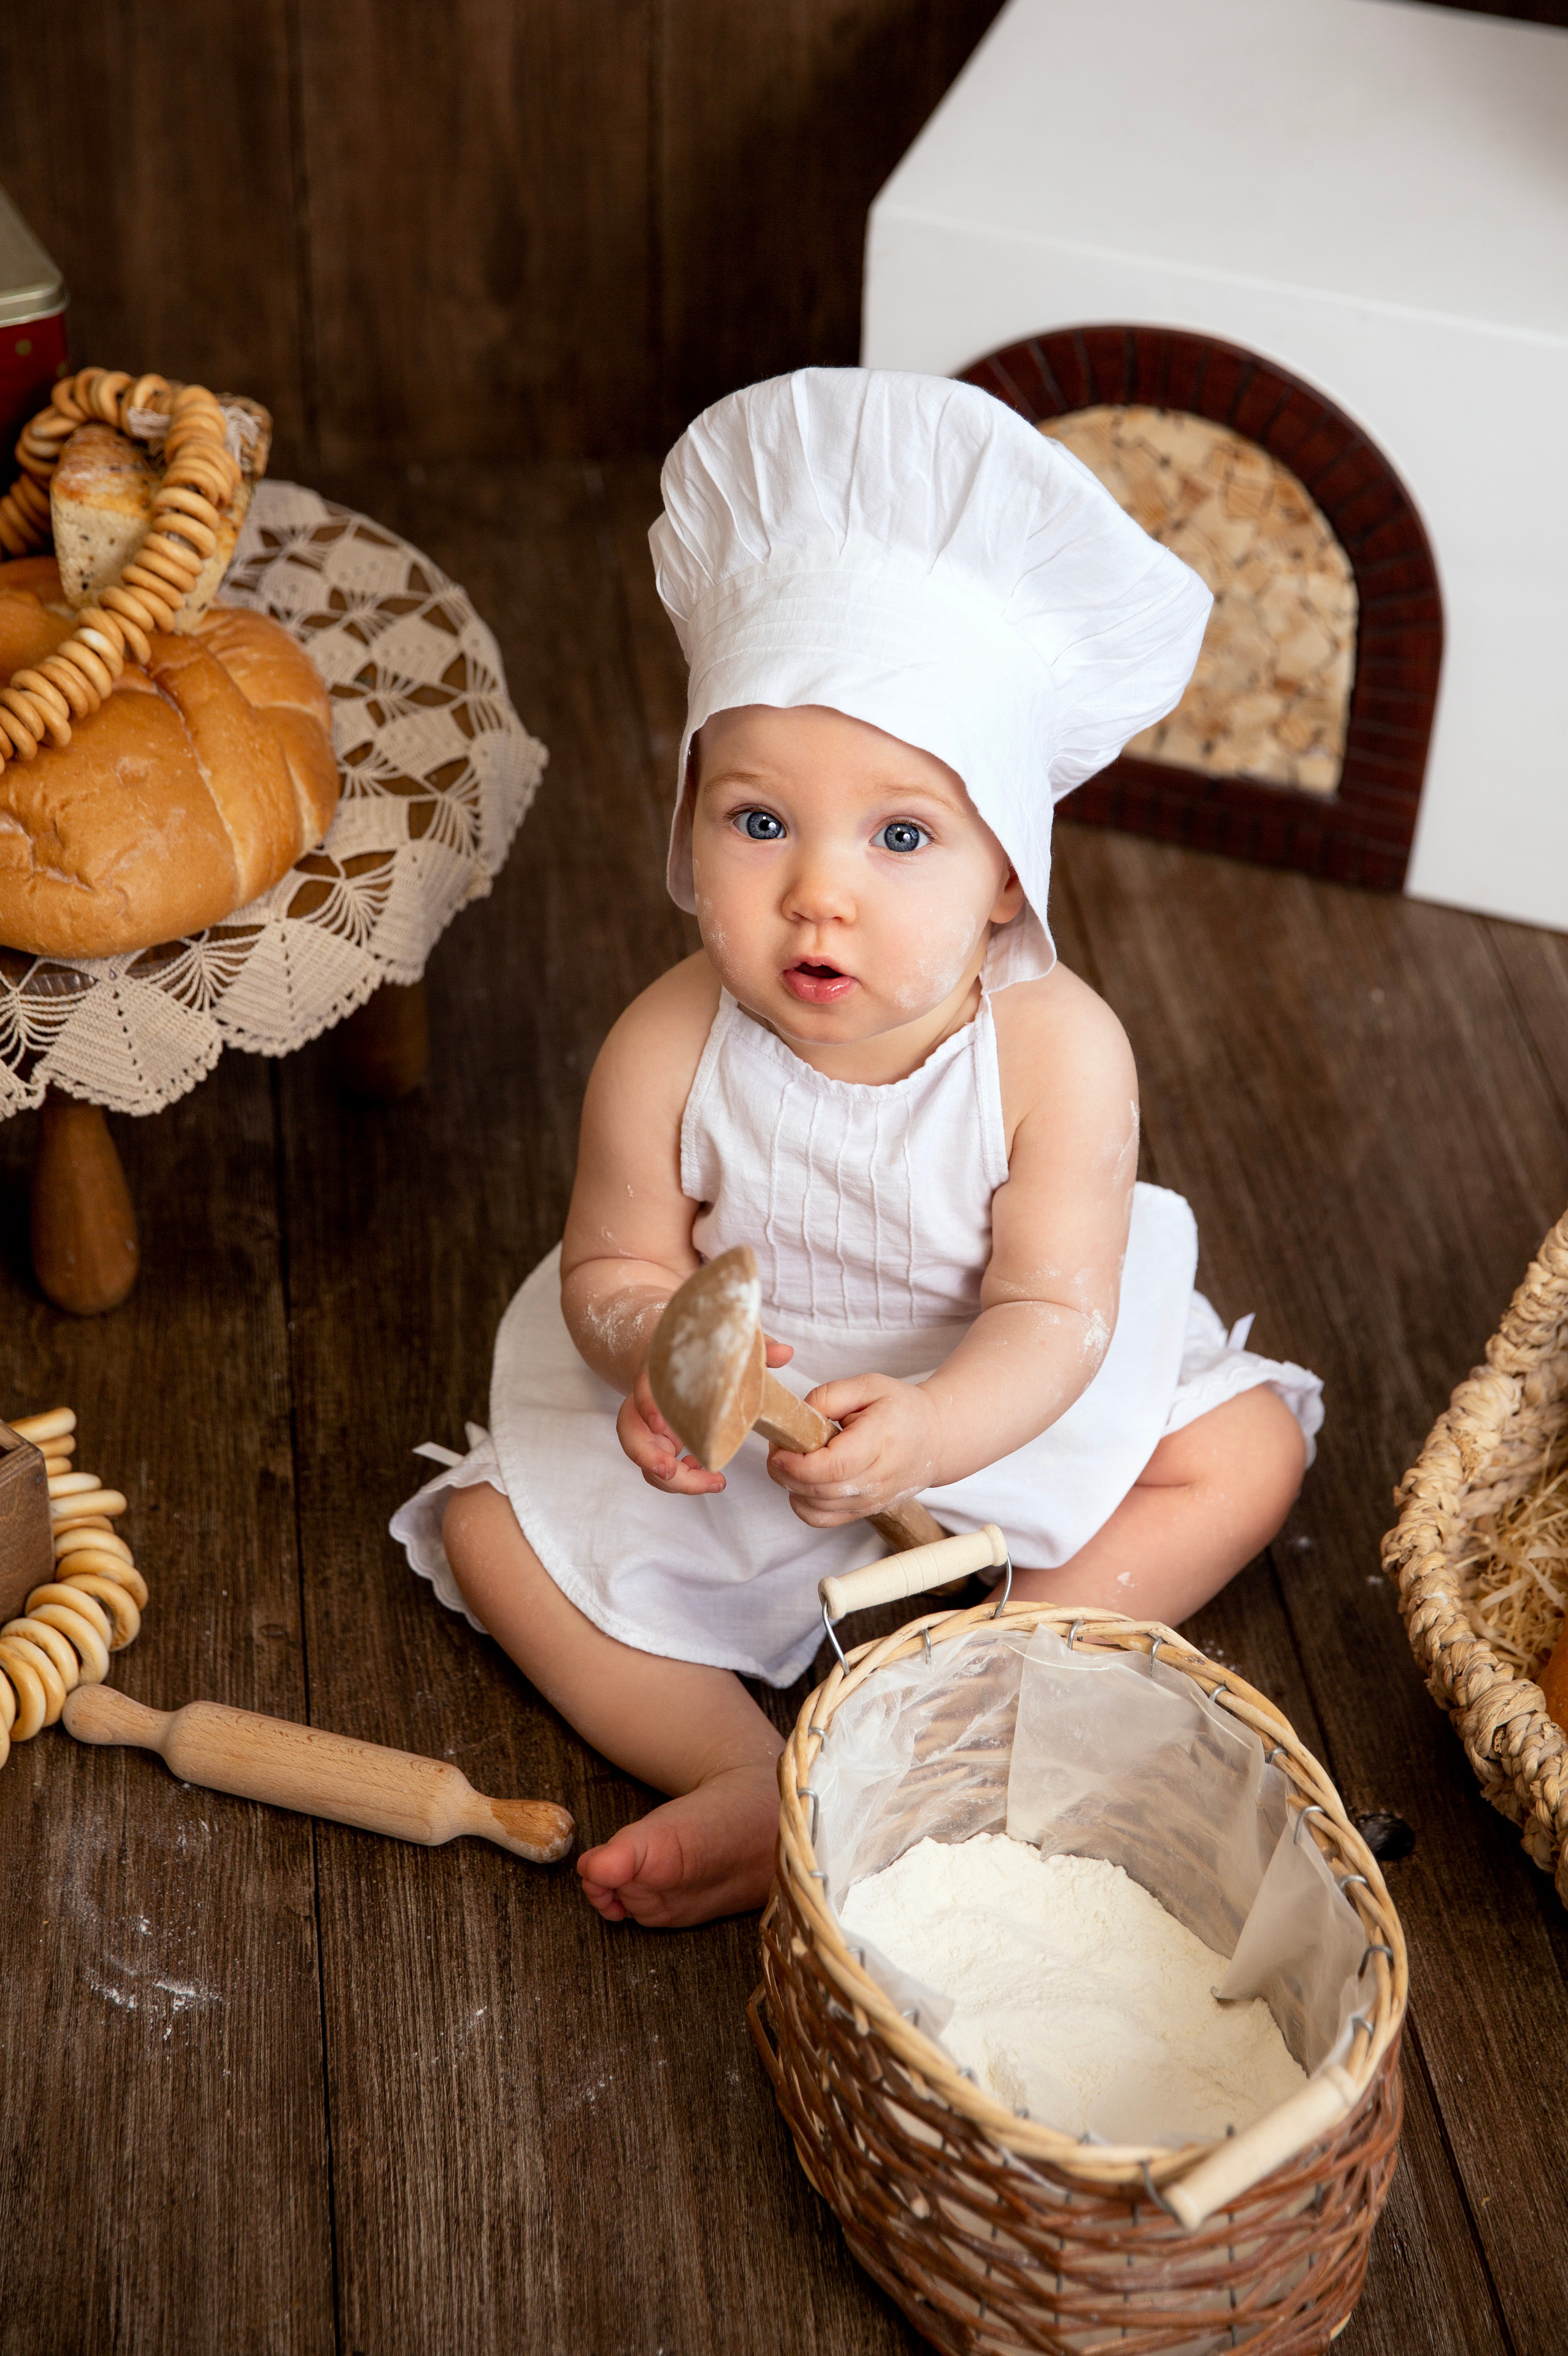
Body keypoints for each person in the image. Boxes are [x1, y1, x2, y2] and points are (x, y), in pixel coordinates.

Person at [393, 370, 1322, 1930]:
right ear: (688, 826)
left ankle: (987, 1687)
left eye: (899, 838)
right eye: (758, 823)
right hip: (751, 1431)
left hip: (989, 1405)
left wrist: (935, 1433)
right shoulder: (668, 1039)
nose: (817, 893)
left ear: (1007, 880)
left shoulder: (1053, 1053)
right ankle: (750, 1777)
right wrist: (660, 1369)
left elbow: (1055, 1315)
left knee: (1242, 1453)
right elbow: (617, 1267)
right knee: (488, 1529)